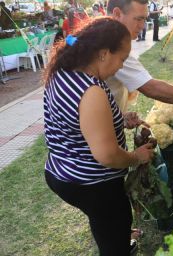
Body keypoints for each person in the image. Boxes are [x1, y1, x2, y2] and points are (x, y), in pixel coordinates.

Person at [43, 17, 154, 256]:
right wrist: (137, 156)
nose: (120, 67)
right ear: (104, 54)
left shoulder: (63, 72)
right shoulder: (90, 90)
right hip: (92, 184)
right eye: (121, 59)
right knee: (114, 237)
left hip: (61, 171)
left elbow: (75, 122)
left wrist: (118, 120)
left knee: (105, 225)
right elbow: (107, 156)